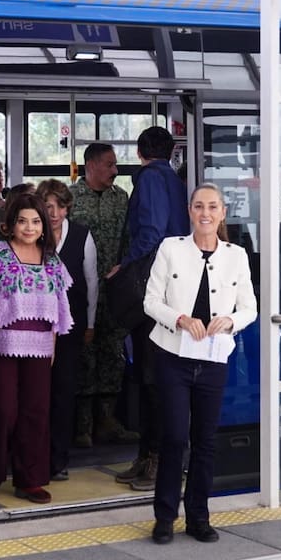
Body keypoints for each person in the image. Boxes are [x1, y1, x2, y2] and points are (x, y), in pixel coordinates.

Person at [144, 182, 257, 545]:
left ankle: (198, 517)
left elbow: (250, 308)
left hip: (212, 359)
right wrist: (179, 318)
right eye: (198, 207)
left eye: (212, 207)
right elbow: (150, 301)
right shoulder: (170, 249)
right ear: (189, 212)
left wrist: (231, 321)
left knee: (205, 440)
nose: (205, 213)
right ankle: (164, 518)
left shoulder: (236, 255)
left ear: (223, 213)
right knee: (174, 436)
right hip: (172, 356)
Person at [0, 193, 73, 504]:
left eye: (36, 221)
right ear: (10, 224)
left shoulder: (52, 261)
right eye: (22, 220)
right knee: (3, 410)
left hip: (40, 345)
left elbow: (60, 309)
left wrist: (53, 345)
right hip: (1, 344)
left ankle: (29, 478)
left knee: (36, 411)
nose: (29, 227)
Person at [113, 126, 189, 491]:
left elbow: (151, 232)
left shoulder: (149, 180)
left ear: (140, 151)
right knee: (152, 375)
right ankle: (148, 456)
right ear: (172, 150)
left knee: (151, 376)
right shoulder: (176, 180)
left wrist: (124, 264)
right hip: (174, 290)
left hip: (155, 289)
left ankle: (156, 460)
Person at [69, 143, 138, 447]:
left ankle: (107, 422)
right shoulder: (70, 199)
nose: (115, 170)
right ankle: (81, 427)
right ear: (92, 165)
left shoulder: (120, 198)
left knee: (112, 354)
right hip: (80, 291)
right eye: (109, 165)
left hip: (114, 289)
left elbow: (129, 239)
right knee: (83, 355)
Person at [37, 179, 98, 481]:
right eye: (48, 206)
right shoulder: (33, 233)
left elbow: (92, 282)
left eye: (60, 206)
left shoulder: (82, 235)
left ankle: (58, 459)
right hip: (36, 328)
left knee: (63, 392)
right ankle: (35, 456)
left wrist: (90, 323)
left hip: (70, 326)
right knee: (38, 393)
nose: (55, 213)